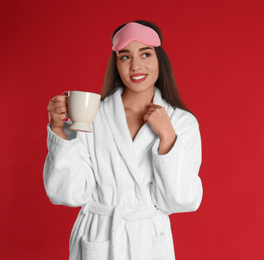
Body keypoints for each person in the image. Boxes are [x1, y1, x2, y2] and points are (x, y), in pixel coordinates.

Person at [44, 20, 203, 260]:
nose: (136, 66)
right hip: (98, 238)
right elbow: (67, 193)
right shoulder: (93, 116)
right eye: (125, 57)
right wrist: (59, 130)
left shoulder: (181, 122)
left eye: (145, 54)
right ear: (116, 64)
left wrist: (168, 138)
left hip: (148, 243)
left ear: (160, 59)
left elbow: (181, 201)